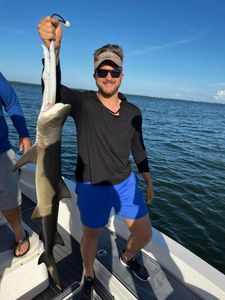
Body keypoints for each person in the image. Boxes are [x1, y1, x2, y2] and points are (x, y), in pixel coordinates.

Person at [38, 16, 154, 299]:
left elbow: (137, 147)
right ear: (95, 75)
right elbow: (51, 90)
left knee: (144, 235)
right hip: (91, 187)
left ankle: (128, 257)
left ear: (122, 75)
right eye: (103, 72)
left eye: (114, 71)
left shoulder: (133, 111)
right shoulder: (82, 102)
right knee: (90, 236)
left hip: (125, 183)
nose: (109, 77)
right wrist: (53, 50)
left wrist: (148, 179)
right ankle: (88, 274)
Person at [0, 72, 31, 257]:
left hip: (1, 150)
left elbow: (11, 102)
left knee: (9, 196)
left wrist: (23, 132)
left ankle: (19, 233)